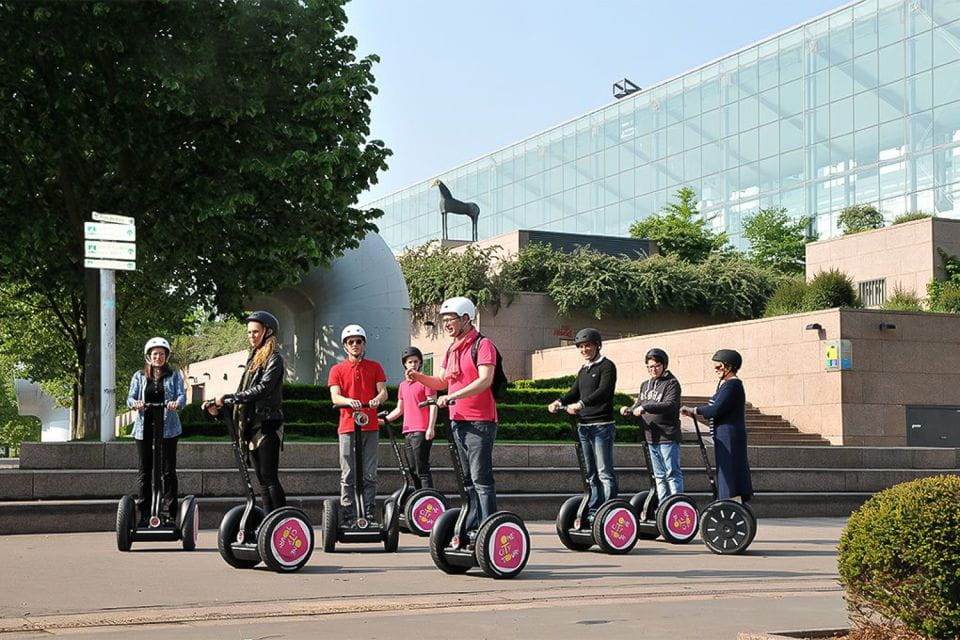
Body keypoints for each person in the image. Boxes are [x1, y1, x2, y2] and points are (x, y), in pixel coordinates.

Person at [406, 296, 498, 531]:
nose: (446, 324)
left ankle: (488, 525)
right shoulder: (451, 349)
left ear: (466, 319)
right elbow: (440, 382)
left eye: (451, 319)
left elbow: (485, 380)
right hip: (457, 421)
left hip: (480, 421)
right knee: (466, 478)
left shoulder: (483, 345)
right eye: (444, 320)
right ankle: (473, 521)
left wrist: (453, 396)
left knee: (480, 478)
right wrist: (418, 376)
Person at [213, 311, 288, 514]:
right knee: (262, 481)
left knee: (270, 478)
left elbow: (263, 389)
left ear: (268, 332)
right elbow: (245, 392)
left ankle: (281, 522)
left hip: (268, 425)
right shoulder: (253, 359)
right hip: (251, 426)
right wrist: (219, 406)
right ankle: (268, 522)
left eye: (255, 332)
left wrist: (230, 397)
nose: (251, 336)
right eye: (249, 333)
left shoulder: (274, 359)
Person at [548, 328, 618, 515]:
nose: (584, 349)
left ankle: (609, 509)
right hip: (584, 426)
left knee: (604, 472)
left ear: (597, 345)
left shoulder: (607, 366)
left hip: (602, 425)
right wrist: (559, 401)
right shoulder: (584, 370)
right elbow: (574, 391)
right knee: (591, 472)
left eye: (588, 345)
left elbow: (603, 391)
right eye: (581, 346)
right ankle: (595, 508)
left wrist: (581, 404)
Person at [329, 324, 387, 524]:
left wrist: (376, 400)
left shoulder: (375, 366)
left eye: (358, 341)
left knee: (370, 472)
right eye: (351, 342)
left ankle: (369, 511)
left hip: (370, 426)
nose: (355, 345)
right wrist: (348, 401)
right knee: (348, 473)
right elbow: (335, 397)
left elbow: (383, 392)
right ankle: (348, 513)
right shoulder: (337, 369)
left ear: (364, 344)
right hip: (347, 426)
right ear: (345, 346)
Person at [126, 337, 186, 525]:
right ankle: (144, 514)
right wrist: (135, 403)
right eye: (154, 354)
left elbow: (181, 395)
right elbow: (130, 398)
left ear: (166, 356)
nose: (158, 357)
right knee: (145, 471)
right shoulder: (139, 376)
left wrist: (177, 403)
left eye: (161, 354)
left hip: (168, 428)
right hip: (144, 429)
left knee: (168, 471)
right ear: (148, 356)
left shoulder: (174, 375)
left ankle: (170, 514)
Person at [681, 349, 753, 503]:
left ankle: (732, 503)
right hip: (724, 435)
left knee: (730, 470)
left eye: (719, 367)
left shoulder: (732, 385)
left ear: (729, 367)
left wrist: (694, 410)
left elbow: (717, 408)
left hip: (729, 436)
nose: (716, 370)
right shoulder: (727, 385)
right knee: (726, 470)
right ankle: (730, 502)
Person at [621, 348, 684, 501]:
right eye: (649, 367)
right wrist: (629, 409)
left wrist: (645, 407)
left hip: (667, 436)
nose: (653, 370)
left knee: (671, 474)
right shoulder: (645, 384)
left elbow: (670, 404)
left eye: (656, 366)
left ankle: (677, 505)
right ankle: (663, 508)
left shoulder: (672, 383)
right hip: (651, 436)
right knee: (659, 476)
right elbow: (639, 403)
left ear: (664, 365)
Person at [381, 347, 437, 489]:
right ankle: (419, 499)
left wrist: (430, 427)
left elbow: (433, 405)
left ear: (419, 363)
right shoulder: (403, 386)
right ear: (405, 364)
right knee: (412, 469)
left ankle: (428, 498)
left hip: (421, 430)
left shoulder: (426, 382)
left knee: (422, 469)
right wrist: (384, 420)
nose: (413, 364)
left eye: (416, 362)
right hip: (407, 431)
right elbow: (400, 409)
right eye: (410, 362)